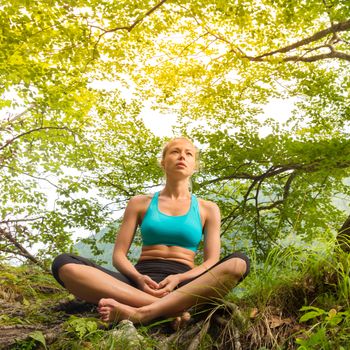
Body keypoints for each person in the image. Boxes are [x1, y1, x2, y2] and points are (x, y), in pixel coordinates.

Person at [52, 137, 250, 325]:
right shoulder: (140, 203)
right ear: (163, 162)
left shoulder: (208, 208)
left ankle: (141, 312)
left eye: (189, 154)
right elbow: (119, 256)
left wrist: (179, 279)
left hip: (185, 284)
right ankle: (171, 310)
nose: (182, 156)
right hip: (139, 280)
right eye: (175, 152)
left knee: (237, 264)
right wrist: (138, 278)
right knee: (65, 265)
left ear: (194, 166)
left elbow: (211, 262)